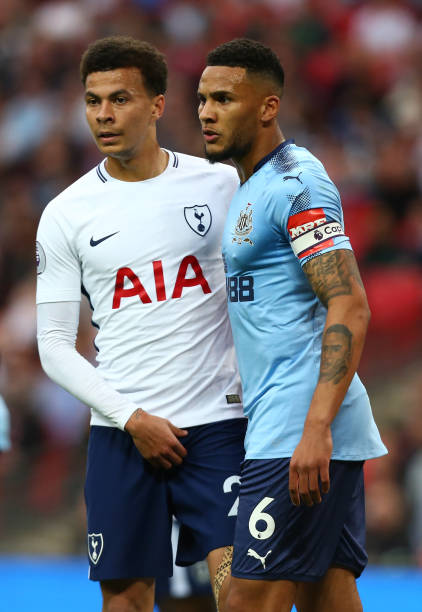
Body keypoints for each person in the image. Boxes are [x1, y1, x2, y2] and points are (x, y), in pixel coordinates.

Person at [36, 36, 246, 612]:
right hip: (122, 432)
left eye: (120, 98)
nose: (103, 114)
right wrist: (131, 419)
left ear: (157, 104)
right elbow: (53, 347)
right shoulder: (66, 214)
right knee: (125, 601)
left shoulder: (220, 185)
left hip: (220, 427)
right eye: (93, 100)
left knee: (244, 595)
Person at [197, 38, 387, 612]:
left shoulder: (296, 184)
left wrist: (315, 429)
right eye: (202, 99)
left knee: (245, 602)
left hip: (297, 429)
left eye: (224, 99)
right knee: (326, 593)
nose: (206, 112)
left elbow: (350, 304)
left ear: (268, 107)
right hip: (291, 424)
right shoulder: (248, 185)